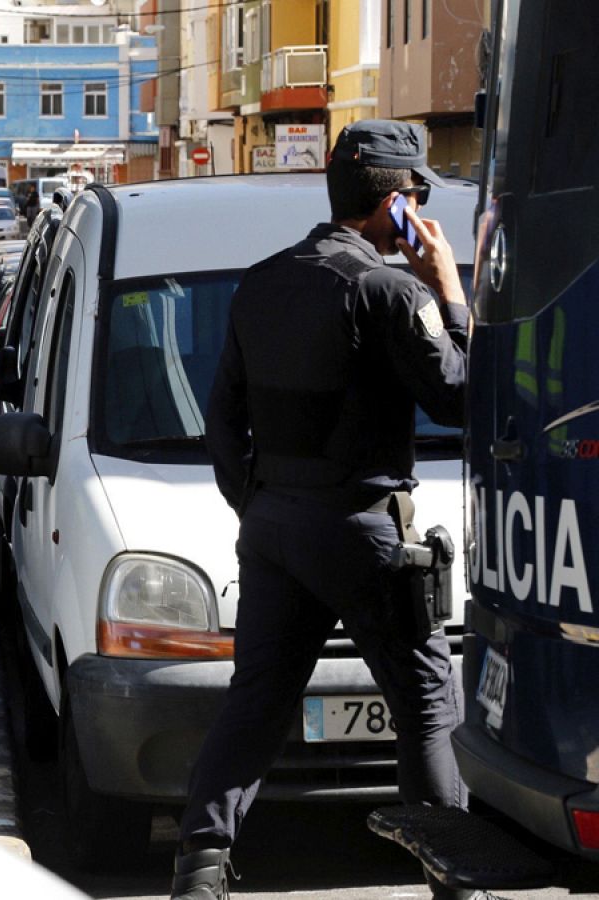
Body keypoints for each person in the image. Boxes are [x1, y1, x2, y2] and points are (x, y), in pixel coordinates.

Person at [171, 120, 482, 900]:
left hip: (274, 527)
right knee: (424, 703)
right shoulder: (390, 289)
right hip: (360, 526)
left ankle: (198, 873)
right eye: (416, 196)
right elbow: (459, 394)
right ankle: (458, 879)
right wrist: (447, 284)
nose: (419, 210)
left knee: (258, 703)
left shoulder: (263, 280)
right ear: (395, 205)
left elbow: (222, 419)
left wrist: (261, 503)